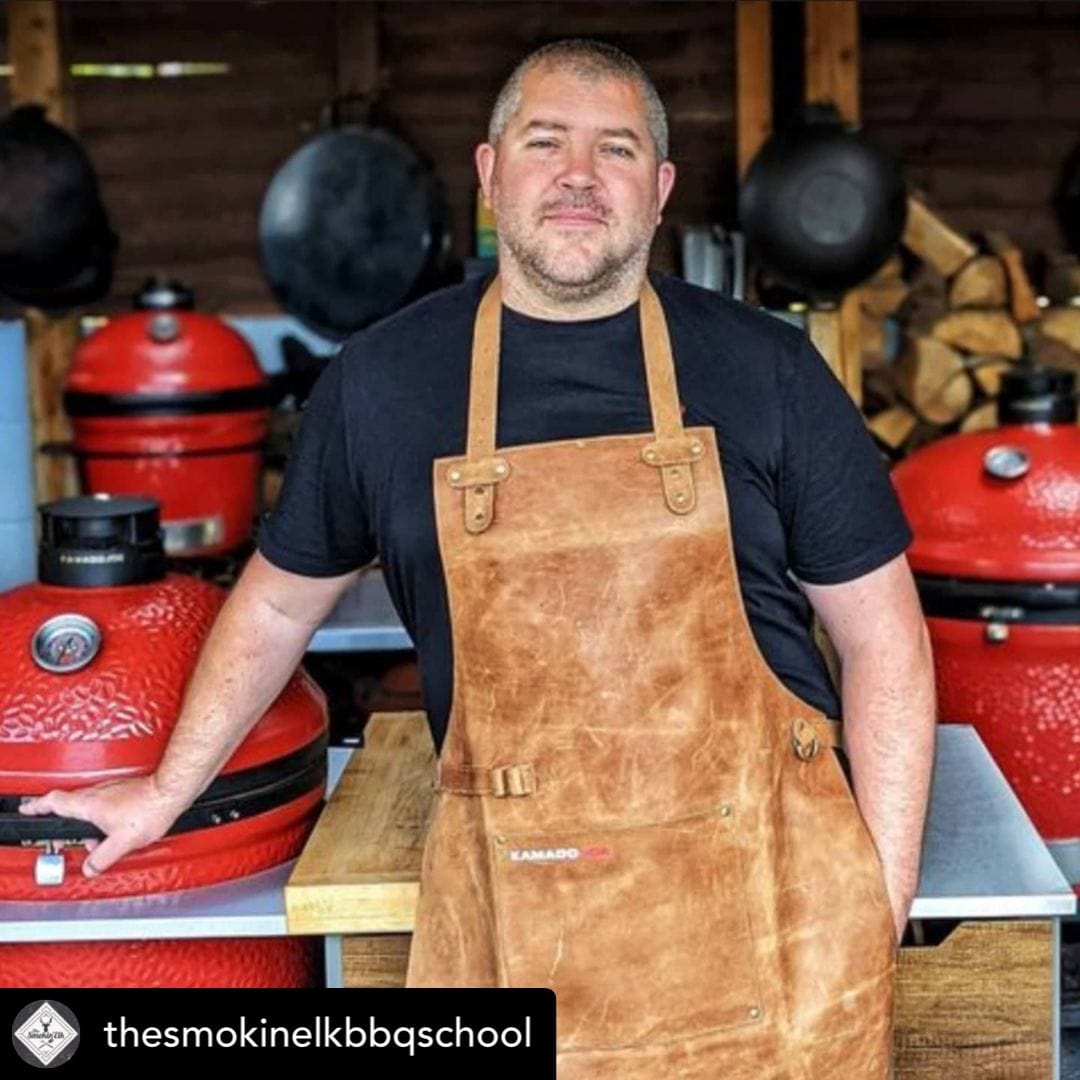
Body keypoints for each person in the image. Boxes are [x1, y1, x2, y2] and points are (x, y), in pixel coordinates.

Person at [22, 38, 935, 1078]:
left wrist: (881, 897)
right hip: (519, 904)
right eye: (546, 143)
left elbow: (884, 641)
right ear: (492, 171)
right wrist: (161, 792)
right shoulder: (382, 384)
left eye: (617, 150)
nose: (580, 177)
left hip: (770, 907)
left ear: (661, 188)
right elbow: (276, 608)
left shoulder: (769, 368)